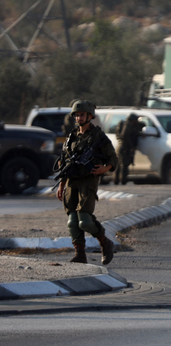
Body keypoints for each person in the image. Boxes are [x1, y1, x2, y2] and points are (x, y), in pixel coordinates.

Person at [56, 100, 118, 265]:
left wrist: (103, 169)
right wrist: (62, 185)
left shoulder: (98, 137)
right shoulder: (71, 137)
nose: (79, 118)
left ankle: (105, 242)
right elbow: (64, 162)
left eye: (82, 115)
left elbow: (113, 159)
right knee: (72, 222)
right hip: (71, 182)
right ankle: (80, 254)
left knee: (85, 220)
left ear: (90, 116)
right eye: (76, 115)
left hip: (88, 181)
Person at [114, 113, 145, 185]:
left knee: (119, 165)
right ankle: (122, 181)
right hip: (124, 148)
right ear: (133, 120)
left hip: (121, 147)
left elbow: (133, 133)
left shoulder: (127, 125)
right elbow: (125, 136)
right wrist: (131, 147)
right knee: (124, 166)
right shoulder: (127, 125)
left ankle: (117, 181)